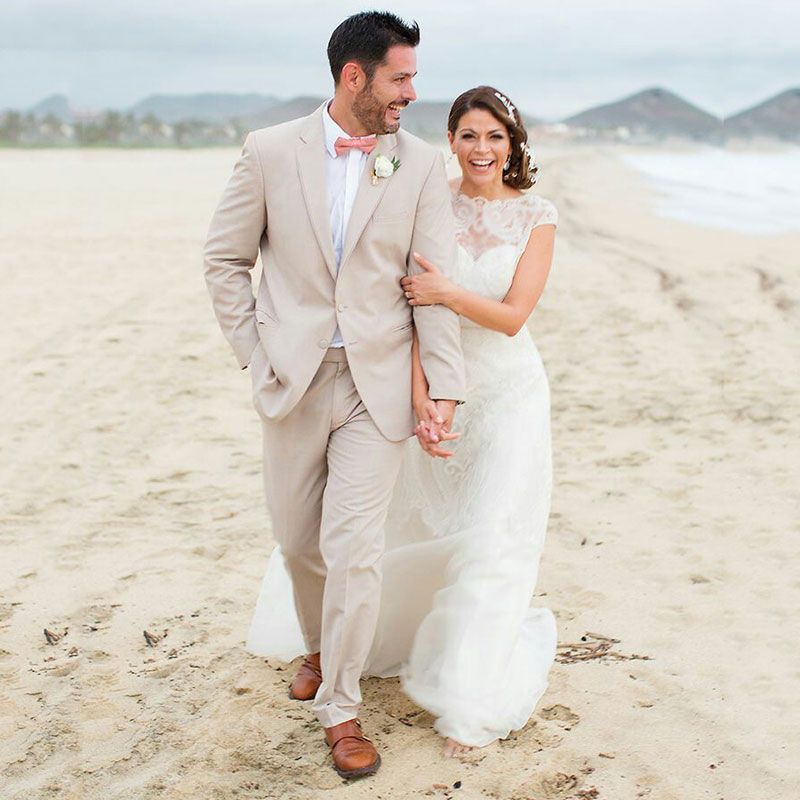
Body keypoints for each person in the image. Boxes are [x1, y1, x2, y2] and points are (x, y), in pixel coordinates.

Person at [247, 85, 559, 758]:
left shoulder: (537, 215)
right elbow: (405, 314)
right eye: (468, 135)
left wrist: (448, 290)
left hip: (507, 395)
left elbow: (512, 317)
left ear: (514, 143)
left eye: (495, 136)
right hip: (429, 388)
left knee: (494, 538)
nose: (481, 149)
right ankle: (362, 650)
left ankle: (468, 696)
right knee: (406, 525)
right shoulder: (430, 198)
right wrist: (422, 396)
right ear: (450, 140)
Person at [204, 11, 465, 779]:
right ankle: (317, 646)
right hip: (291, 379)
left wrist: (444, 387)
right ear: (354, 77)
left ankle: (342, 708)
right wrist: (257, 356)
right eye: (401, 78)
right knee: (297, 541)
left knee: (356, 552)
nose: (413, 93)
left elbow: (431, 283)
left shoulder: (418, 165)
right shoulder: (268, 152)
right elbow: (223, 262)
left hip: (376, 387)